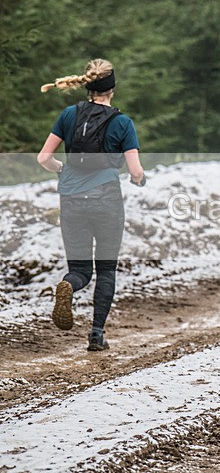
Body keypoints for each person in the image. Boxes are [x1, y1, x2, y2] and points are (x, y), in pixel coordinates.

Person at [37, 59, 145, 351]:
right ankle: (96, 334)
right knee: (106, 269)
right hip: (106, 200)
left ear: (87, 85)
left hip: (71, 199)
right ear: (112, 88)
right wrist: (139, 179)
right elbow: (135, 171)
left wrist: (62, 169)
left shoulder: (68, 115)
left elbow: (43, 158)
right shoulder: (122, 122)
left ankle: (69, 285)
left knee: (82, 270)